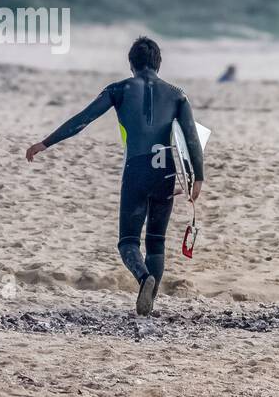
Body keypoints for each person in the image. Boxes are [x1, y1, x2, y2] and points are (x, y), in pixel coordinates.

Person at [25, 36, 204, 316]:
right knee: (156, 242)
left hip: (137, 171)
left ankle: (144, 278)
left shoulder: (119, 89)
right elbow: (191, 137)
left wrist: (45, 143)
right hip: (166, 173)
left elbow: (82, 120)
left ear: (131, 64)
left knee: (128, 241)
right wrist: (198, 178)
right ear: (159, 63)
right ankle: (149, 305)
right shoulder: (178, 94)